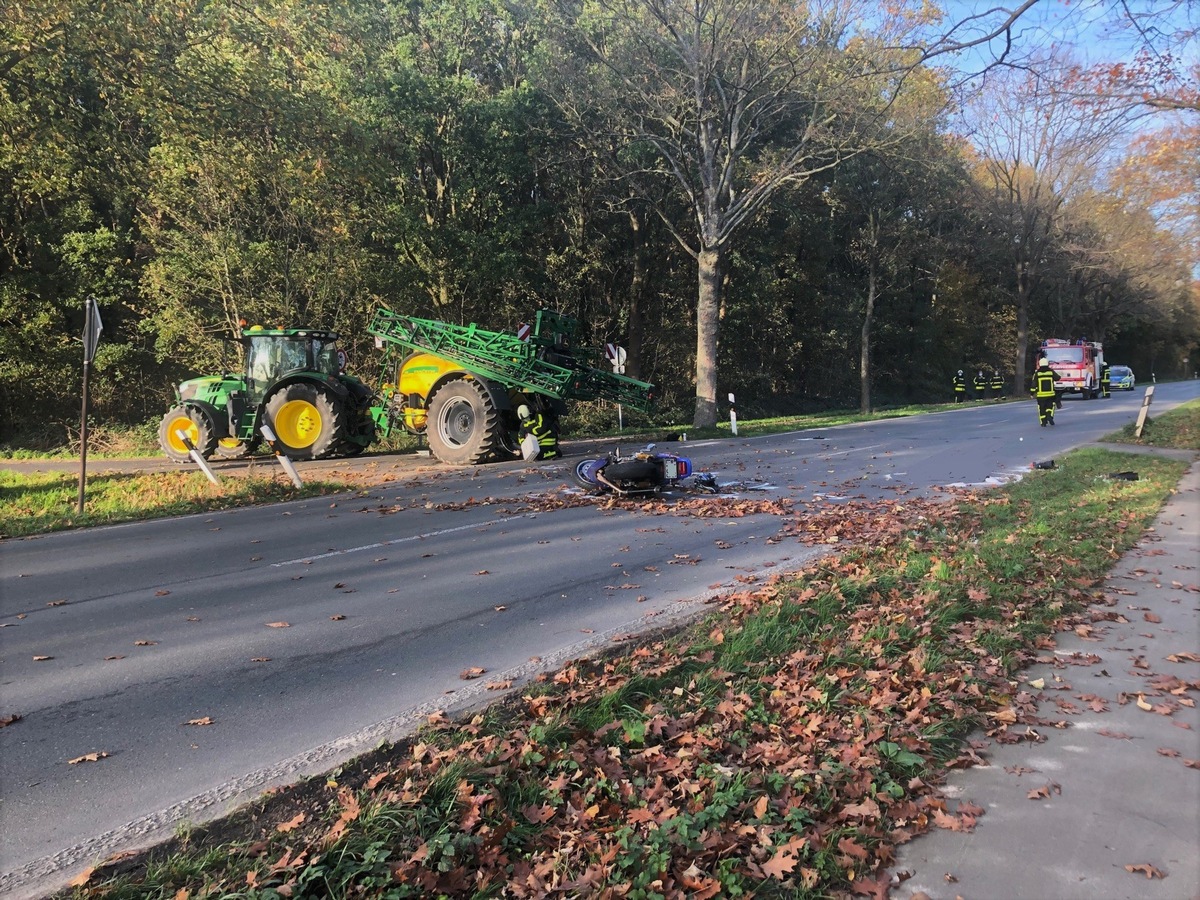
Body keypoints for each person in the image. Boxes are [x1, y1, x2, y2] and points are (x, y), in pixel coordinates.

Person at [1031, 356, 1060, 426]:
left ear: (1040, 364)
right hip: (1050, 394)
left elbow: (1033, 384)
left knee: (1041, 408)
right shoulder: (1051, 371)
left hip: (1041, 395)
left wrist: (1032, 393)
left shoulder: (1037, 373)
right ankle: (1049, 415)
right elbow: (1058, 378)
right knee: (1050, 406)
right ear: (1047, 364)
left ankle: (1043, 422)